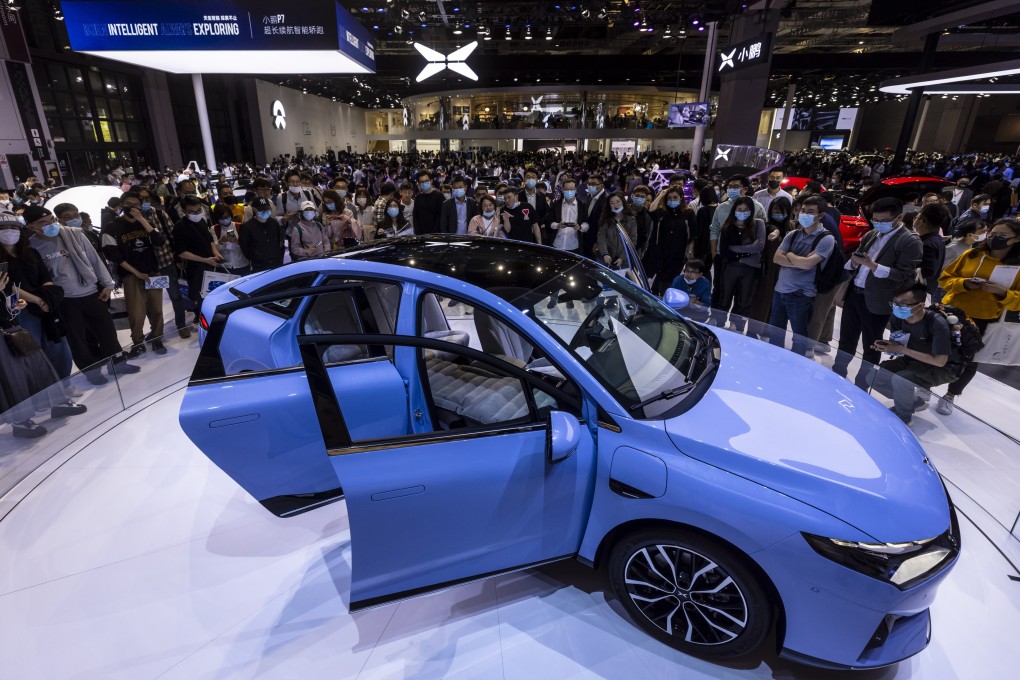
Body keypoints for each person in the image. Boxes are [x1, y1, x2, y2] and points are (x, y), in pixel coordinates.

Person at [24, 205, 144, 376]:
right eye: (43, 223)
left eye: (51, 220)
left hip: (91, 291)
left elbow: (94, 259)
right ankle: (92, 371)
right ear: (31, 226)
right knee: (78, 339)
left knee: (107, 332)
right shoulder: (31, 246)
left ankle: (118, 363)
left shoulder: (74, 233)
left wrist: (107, 285)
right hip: (65, 300)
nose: (50, 225)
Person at [832, 197, 923, 390]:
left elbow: (904, 275)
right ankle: (837, 374)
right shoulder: (871, 234)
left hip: (878, 301)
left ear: (899, 217)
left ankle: (862, 386)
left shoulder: (909, 241)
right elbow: (855, 260)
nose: (879, 224)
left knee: (872, 345)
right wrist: (854, 262)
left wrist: (874, 266)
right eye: (875, 220)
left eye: (884, 220)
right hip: (854, 294)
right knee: (846, 339)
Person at [936, 217, 1020, 415]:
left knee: (970, 360)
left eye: (1002, 235)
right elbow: (944, 278)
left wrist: (1002, 292)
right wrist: (964, 284)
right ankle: (923, 388)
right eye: (992, 233)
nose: (994, 238)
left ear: (1016, 239)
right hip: (952, 310)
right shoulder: (971, 254)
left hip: (985, 318)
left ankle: (951, 395)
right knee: (936, 350)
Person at [0, 269, 87, 439]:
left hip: (10, 324)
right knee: (13, 376)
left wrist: (13, 304)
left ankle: (56, 402)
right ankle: (20, 420)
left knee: (37, 367)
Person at [871, 283, 960, 425]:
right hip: (913, 359)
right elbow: (900, 343)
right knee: (875, 375)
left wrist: (901, 350)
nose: (897, 307)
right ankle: (913, 401)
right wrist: (888, 346)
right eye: (895, 302)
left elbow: (940, 361)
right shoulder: (897, 317)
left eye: (903, 304)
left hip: (942, 368)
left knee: (901, 380)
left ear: (919, 305)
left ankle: (904, 417)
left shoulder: (937, 324)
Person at [769, 197, 837, 356]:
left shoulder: (826, 238)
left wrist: (790, 255)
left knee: (799, 335)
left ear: (820, 215)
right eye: (803, 211)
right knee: (775, 331)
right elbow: (776, 258)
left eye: (810, 212)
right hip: (780, 290)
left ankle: (795, 365)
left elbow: (808, 265)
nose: (805, 214)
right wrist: (800, 259)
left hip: (801, 294)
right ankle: (772, 360)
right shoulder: (792, 234)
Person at [102, 191, 167, 358]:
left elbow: (159, 240)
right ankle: (138, 342)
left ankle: (157, 337)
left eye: (136, 204)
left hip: (153, 271)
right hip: (131, 275)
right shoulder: (112, 226)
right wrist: (136, 272)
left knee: (158, 310)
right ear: (122, 205)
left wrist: (142, 220)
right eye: (128, 204)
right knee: (136, 312)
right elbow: (112, 254)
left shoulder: (146, 222)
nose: (133, 208)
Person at [713, 196, 766, 333]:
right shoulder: (728, 226)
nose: (742, 212)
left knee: (743, 301)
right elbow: (725, 251)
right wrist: (748, 252)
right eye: (739, 209)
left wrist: (736, 250)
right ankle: (719, 324)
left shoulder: (759, 224)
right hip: (730, 267)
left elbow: (759, 246)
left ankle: (737, 326)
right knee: (724, 298)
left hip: (750, 270)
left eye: (746, 210)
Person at [748, 196, 793, 339]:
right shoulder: (766, 226)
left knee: (777, 303)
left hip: (785, 271)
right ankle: (753, 329)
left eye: (781, 211)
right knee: (761, 300)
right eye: (775, 210)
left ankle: (769, 330)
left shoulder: (791, 228)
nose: (778, 213)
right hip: (766, 269)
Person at [174, 196, 223, 313]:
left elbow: (210, 240)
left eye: (199, 210)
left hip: (211, 265)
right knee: (201, 300)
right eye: (192, 212)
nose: (196, 214)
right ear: (184, 211)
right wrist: (205, 260)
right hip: (196, 269)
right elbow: (181, 252)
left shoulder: (201, 220)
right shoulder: (180, 226)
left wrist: (216, 252)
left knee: (214, 297)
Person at [645, 187, 693, 295]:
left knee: (668, 284)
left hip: (678, 255)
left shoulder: (688, 213)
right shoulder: (663, 212)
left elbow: (693, 235)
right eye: (669, 198)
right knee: (658, 282)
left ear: (681, 198)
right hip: (661, 253)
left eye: (675, 197)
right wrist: (662, 194)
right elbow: (651, 210)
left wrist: (689, 251)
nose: (672, 200)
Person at [239, 197, 284, 273]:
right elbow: (245, 248)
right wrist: (256, 258)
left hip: (276, 264)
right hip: (258, 266)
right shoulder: (247, 227)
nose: (265, 211)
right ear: (254, 209)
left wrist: (279, 257)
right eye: (261, 210)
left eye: (267, 209)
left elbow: (279, 240)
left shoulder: (274, 223)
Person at [914, 202, 948, 298]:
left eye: (916, 217)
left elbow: (928, 271)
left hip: (918, 293)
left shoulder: (927, 244)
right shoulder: (937, 239)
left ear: (921, 221)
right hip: (926, 289)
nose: (915, 220)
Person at [546, 179, 589, 254]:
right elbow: (549, 222)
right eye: (566, 189)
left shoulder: (582, 205)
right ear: (562, 190)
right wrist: (558, 225)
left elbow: (586, 224)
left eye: (571, 189)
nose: (569, 191)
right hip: (557, 243)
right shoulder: (556, 204)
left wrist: (580, 227)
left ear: (575, 190)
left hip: (574, 245)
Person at [597, 193, 638, 270]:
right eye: (612, 203)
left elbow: (633, 240)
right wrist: (605, 253)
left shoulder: (631, 219)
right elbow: (601, 236)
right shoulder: (606, 219)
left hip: (624, 259)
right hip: (607, 257)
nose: (615, 205)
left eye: (618, 202)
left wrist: (622, 257)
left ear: (623, 202)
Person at [213, 205, 250, 275]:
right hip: (226, 266)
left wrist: (237, 241)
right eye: (221, 218)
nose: (224, 219)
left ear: (230, 215)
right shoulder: (214, 229)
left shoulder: (240, 226)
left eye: (226, 217)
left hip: (242, 264)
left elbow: (247, 247)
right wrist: (220, 241)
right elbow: (215, 249)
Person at [412, 171, 444, 235]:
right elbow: (415, 216)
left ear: (431, 181)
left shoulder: (439, 195)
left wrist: (435, 233)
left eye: (426, 181)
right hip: (421, 235)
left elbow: (441, 216)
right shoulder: (418, 197)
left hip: (436, 234)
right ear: (418, 184)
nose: (424, 183)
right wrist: (418, 232)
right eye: (422, 182)